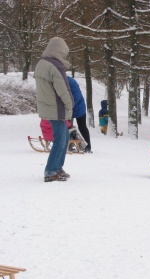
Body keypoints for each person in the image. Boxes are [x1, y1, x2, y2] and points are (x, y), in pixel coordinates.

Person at [34, 37, 73, 182]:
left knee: (65, 138)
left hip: (48, 107)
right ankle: (51, 170)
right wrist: (70, 105)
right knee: (60, 140)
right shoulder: (56, 66)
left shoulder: (41, 64)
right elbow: (63, 89)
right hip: (56, 108)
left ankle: (57, 168)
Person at [68, 76, 92, 153]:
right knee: (68, 127)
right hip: (70, 108)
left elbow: (76, 97)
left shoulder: (70, 82)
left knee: (82, 127)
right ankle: (70, 145)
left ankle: (87, 146)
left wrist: (68, 106)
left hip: (78, 107)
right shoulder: (63, 80)